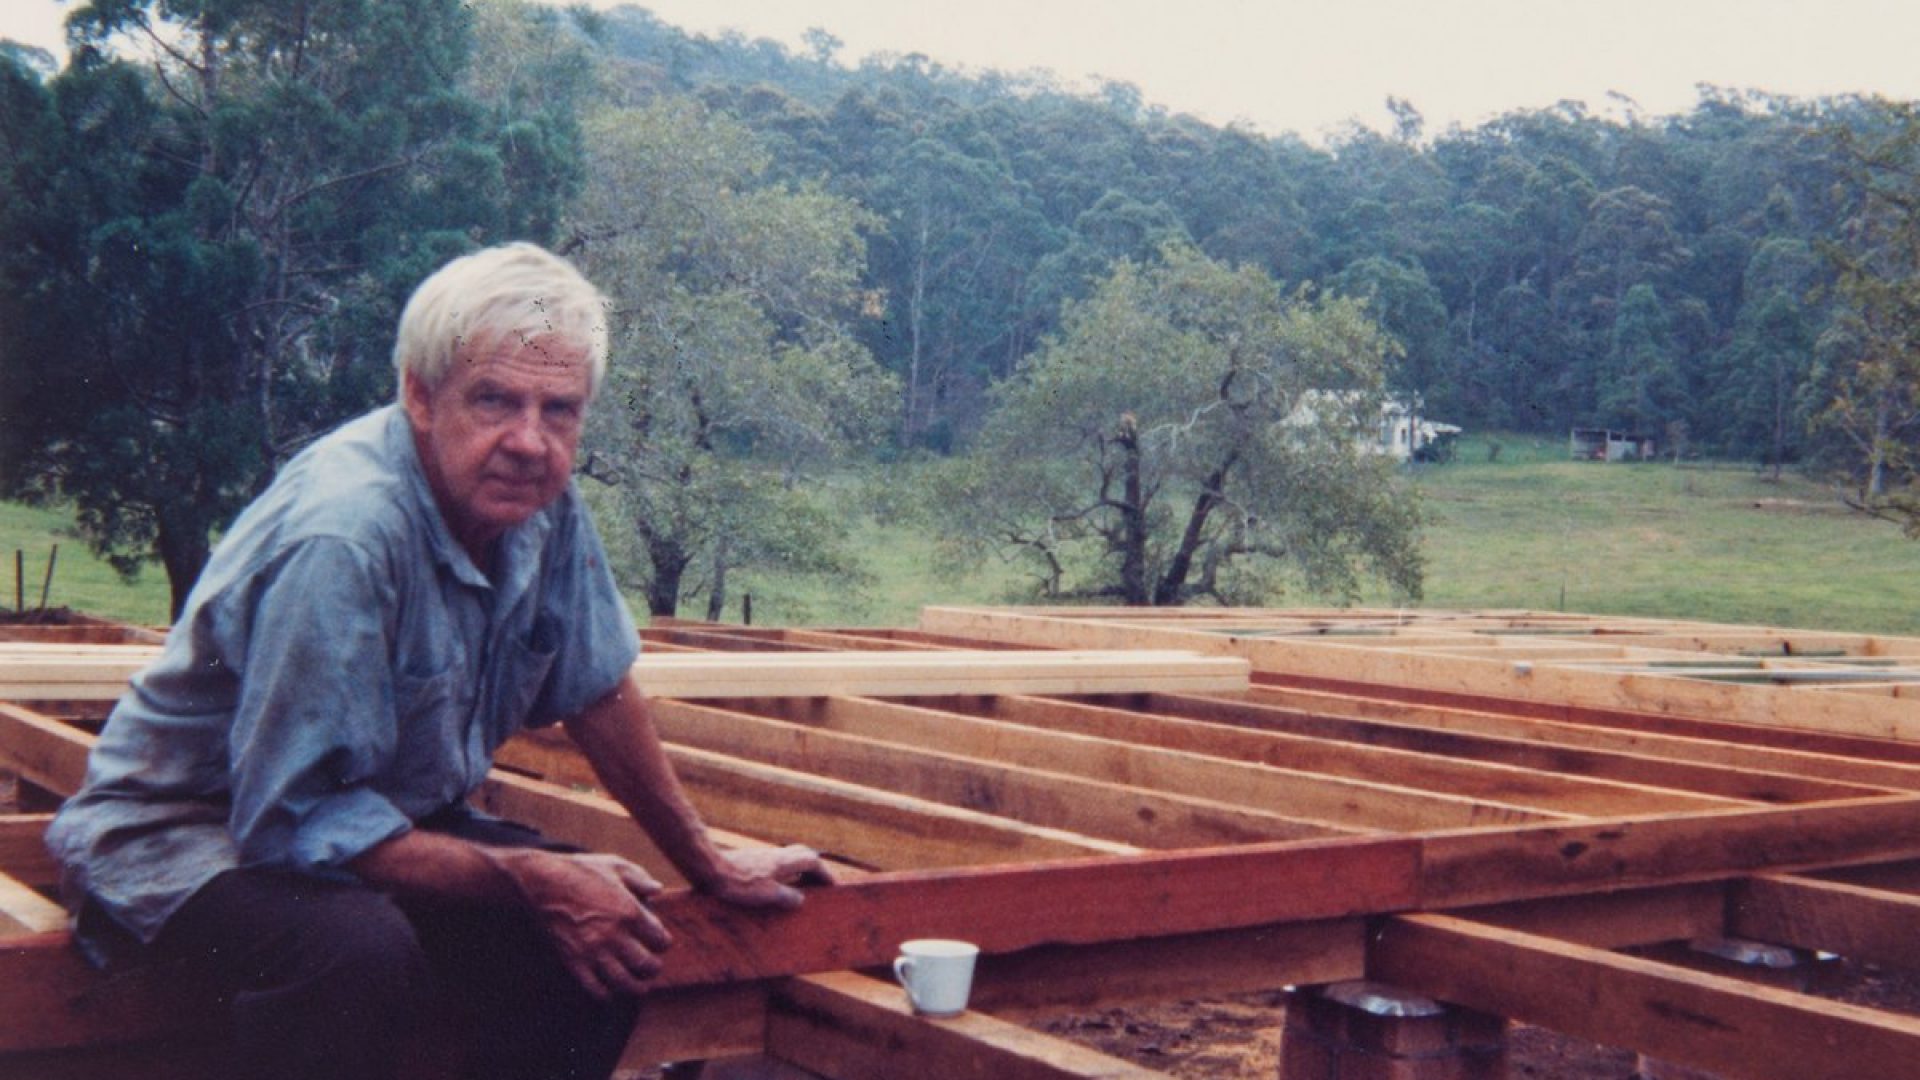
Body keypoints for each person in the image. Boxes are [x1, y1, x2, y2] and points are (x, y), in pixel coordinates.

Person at [45, 243, 829, 1080]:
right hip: (192, 834)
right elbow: (287, 823)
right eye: (494, 399)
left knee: (609, 922)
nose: (529, 441)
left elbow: (595, 689)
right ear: (420, 396)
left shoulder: (542, 505)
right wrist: (521, 876)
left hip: (376, 818)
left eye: (558, 410)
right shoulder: (345, 537)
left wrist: (705, 862)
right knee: (356, 957)